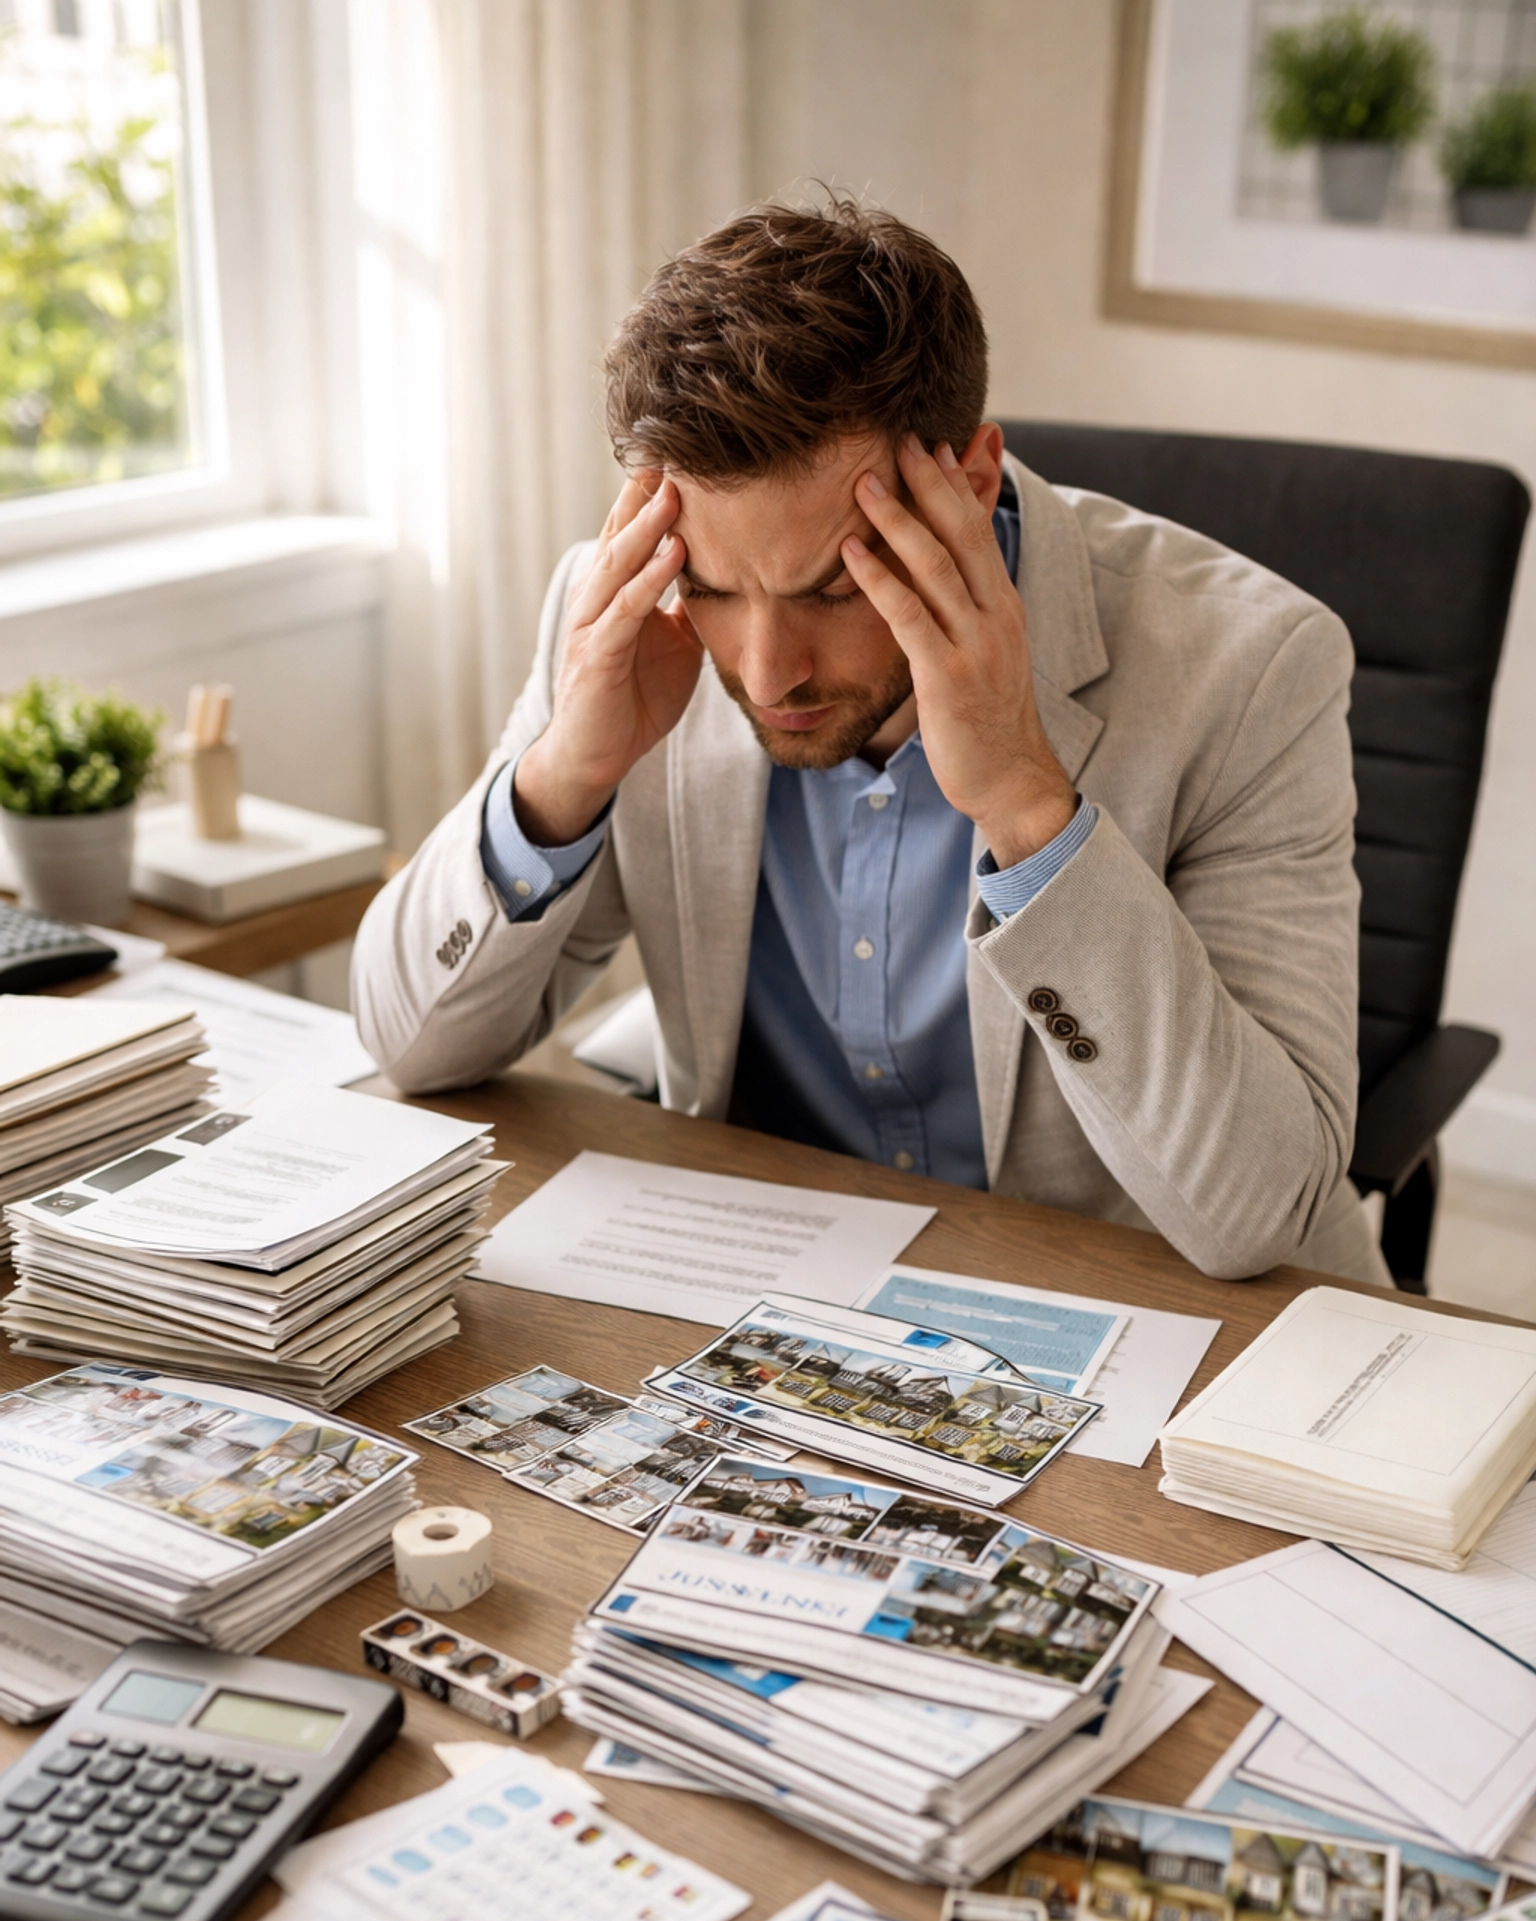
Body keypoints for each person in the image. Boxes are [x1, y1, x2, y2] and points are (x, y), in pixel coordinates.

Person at [352, 196, 1387, 1285]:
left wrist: (1031, 809)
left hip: (1147, 1312)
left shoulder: (1254, 665)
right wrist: (569, 770)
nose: (763, 672)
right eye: (712, 587)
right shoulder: (630, 621)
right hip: (787, 1299)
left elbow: (1261, 1213)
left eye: (835, 588)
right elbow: (406, 1043)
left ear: (970, 485)